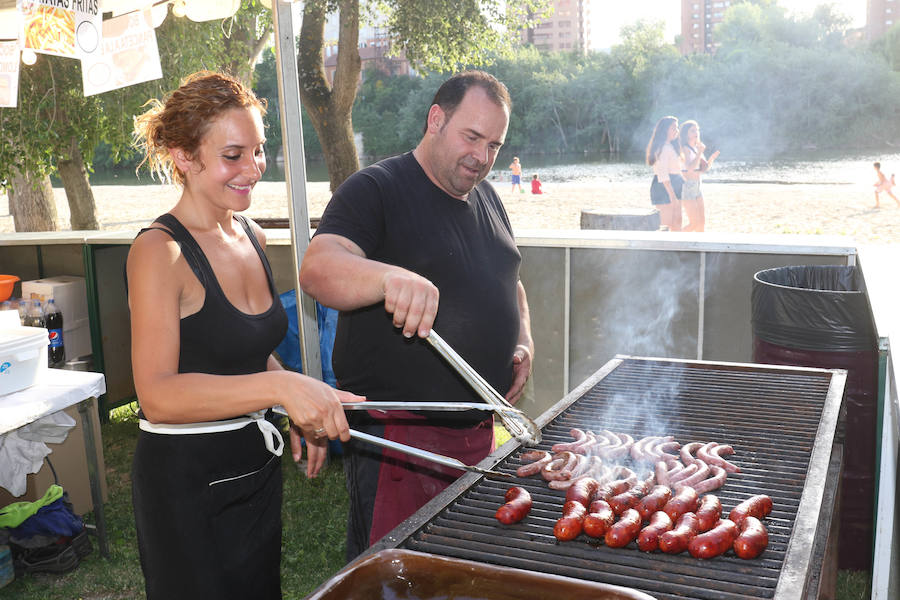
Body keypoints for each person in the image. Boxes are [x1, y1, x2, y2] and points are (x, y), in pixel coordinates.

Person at [126, 71, 361, 600]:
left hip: (253, 467)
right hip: (186, 483)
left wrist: (291, 399)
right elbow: (158, 396)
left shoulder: (249, 233)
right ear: (185, 157)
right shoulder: (159, 253)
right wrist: (280, 391)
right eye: (234, 155)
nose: (253, 169)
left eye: (258, 151)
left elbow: (251, 351)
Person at [299, 70, 534, 562]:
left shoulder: (487, 196)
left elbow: (509, 278)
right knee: (395, 575)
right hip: (398, 442)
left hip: (477, 429)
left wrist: (523, 341)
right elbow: (318, 267)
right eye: (472, 137)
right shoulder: (377, 188)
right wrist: (387, 278)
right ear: (435, 119)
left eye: (494, 144)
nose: (482, 157)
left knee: (462, 565)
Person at [678, 120, 719, 232]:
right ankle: (674, 240)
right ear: (686, 133)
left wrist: (711, 159)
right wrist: (700, 152)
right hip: (688, 186)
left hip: (697, 186)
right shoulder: (685, 148)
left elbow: (702, 170)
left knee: (701, 223)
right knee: (694, 223)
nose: (696, 132)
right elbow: (690, 168)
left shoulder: (696, 148)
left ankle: (700, 248)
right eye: (692, 130)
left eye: (697, 130)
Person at [647, 116, 684, 231]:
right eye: (673, 128)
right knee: (666, 225)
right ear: (665, 130)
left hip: (675, 185)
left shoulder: (671, 146)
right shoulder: (662, 148)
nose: (676, 130)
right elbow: (663, 175)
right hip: (664, 187)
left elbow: (677, 169)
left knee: (677, 223)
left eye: (677, 128)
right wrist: (672, 196)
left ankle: (677, 248)